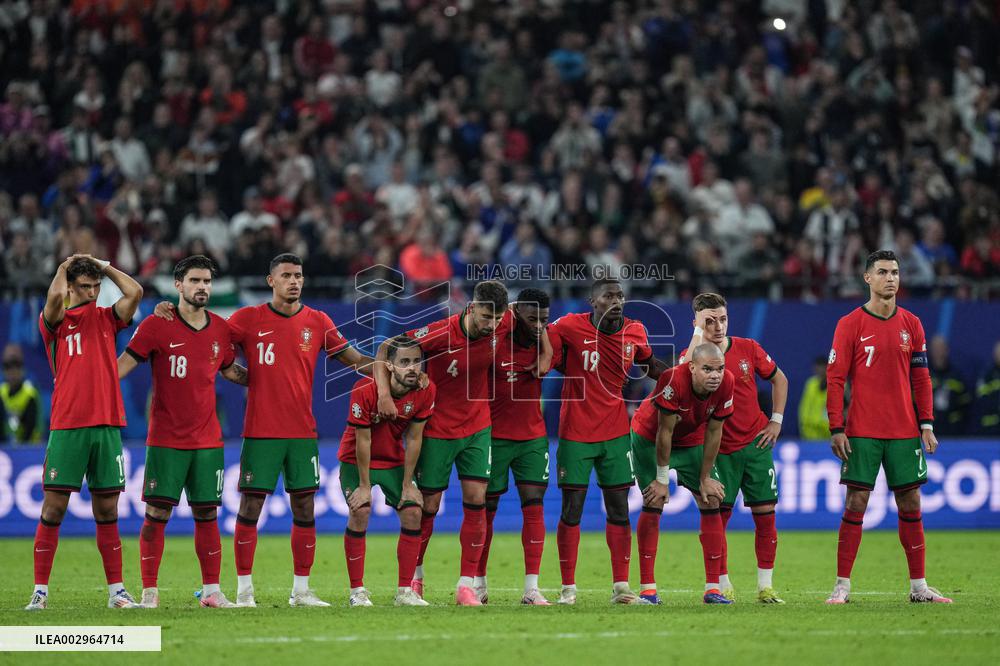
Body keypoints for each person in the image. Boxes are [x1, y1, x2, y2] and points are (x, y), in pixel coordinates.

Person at [155, 253, 377, 607]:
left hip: (303, 433)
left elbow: (353, 359)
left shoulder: (317, 321)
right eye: (287, 275)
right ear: (271, 280)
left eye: (299, 275)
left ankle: (301, 591)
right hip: (260, 431)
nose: (295, 281)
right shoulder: (247, 319)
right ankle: (244, 592)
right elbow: (206, 333)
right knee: (251, 507)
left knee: (305, 506)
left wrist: (387, 367)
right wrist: (166, 311)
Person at [373, 281, 548, 606]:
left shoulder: (504, 319)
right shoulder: (441, 333)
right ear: (471, 309)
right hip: (438, 428)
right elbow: (386, 348)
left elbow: (533, 320)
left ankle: (467, 584)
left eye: (496, 319)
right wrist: (384, 392)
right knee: (429, 506)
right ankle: (416, 578)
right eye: (485, 317)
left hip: (478, 427)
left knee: (477, 499)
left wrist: (547, 351)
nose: (491, 325)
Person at [117, 256, 248, 609]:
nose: (202, 287)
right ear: (178, 285)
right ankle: (149, 593)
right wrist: (90, 385)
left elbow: (231, 371)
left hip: (208, 442)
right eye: (195, 281)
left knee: (208, 514)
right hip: (166, 441)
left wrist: (268, 380)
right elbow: (122, 367)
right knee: (156, 515)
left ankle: (212, 591)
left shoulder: (221, 329)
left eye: (207, 281)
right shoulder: (156, 325)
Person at [826, 249, 951, 604]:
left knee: (911, 502)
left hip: (904, 430)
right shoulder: (849, 324)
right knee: (857, 501)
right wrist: (837, 427)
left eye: (895, 272)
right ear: (867, 278)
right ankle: (842, 586)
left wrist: (926, 423)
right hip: (862, 429)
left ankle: (918, 587)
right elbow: (835, 379)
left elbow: (922, 377)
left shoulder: (912, 324)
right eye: (882, 272)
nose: (891, 278)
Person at [27, 254, 144, 610]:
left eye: (96, 287)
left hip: (107, 424)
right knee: (54, 509)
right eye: (86, 286)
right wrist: (63, 267)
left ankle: (117, 592)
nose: (93, 292)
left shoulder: (107, 319)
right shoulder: (57, 322)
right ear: (72, 288)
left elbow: (135, 291)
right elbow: (52, 300)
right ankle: (40, 591)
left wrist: (103, 266)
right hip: (68, 425)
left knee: (108, 510)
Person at [547, 278, 667, 605]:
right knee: (572, 510)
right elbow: (545, 355)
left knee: (618, 509)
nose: (615, 301)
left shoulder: (635, 331)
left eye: (619, 295)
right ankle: (568, 589)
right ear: (593, 300)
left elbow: (650, 365)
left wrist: (680, 378)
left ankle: (621, 588)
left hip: (615, 434)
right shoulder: (569, 327)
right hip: (575, 434)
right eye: (608, 296)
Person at [671, 292, 788, 604]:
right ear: (697, 323)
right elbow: (680, 374)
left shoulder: (748, 348)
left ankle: (765, 586)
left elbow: (780, 380)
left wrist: (775, 421)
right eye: (710, 321)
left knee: (766, 515)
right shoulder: (692, 357)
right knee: (716, 518)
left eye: (722, 318)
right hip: (719, 451)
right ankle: (721, 583)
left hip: (756, 444)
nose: (718, 326)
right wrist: (698, 333)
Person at [631, 344, 735, 604]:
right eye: (707, 369)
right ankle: (648, 590)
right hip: (649, 437)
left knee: (711, 498)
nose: (715, 375)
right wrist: (662, 479)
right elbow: (663, 432)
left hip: (690, 439)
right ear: (692, 368)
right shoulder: (673, 380)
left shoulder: (727, 383)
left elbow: (714, 432)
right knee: (653, 500)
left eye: (719, 369)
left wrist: (706, 476)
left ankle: (713, 589)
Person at [339, 336, 434, 607]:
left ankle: (405, 592)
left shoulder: (426, 390)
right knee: (361, 511)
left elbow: (414, 439)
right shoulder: (364, 390)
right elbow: (363, 441)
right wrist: (365, 486)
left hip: (393, 461)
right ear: (389, 366)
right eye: (404, 362)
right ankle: (357, 591)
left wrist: (408, 484)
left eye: (417, 361)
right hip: (356, 462)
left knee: (414, 511)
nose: (413, 368)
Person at [477, 288, 553, 606]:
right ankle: (477, 583)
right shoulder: (496, 331)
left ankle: (532, 588)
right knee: (486, 512)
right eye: (532, 318)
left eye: (544, 320)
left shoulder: (543, 336)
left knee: (534, 506)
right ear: (515, 312)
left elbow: (549, 355)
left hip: (532, 436)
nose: (538, 325)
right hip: (493, 436)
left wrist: (545, 341)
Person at [928, 336, 972, 436]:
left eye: (941, 348)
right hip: (927, 430)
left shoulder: (957, 377)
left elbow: (965, 405)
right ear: (930, 351)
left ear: (947, 350)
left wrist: (956, 422)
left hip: (952, 431)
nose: (938, 352)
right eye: (935, 349)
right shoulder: (922, 376)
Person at [1, 343, 42, 444]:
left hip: (29, 447)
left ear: (22, 369)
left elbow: (31, 428)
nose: (12, 372)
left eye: (16, 366)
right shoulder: (2, 392)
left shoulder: (30, 394)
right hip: (6, 446)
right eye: (8, 367)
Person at [799, 357, 833, 440]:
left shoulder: (836, 384)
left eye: (822, 367)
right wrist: (804, 426)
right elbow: (804, 407)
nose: (819, 371)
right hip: (810, 434)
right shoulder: (811, 384)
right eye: (817, 368)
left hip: (829, 434)